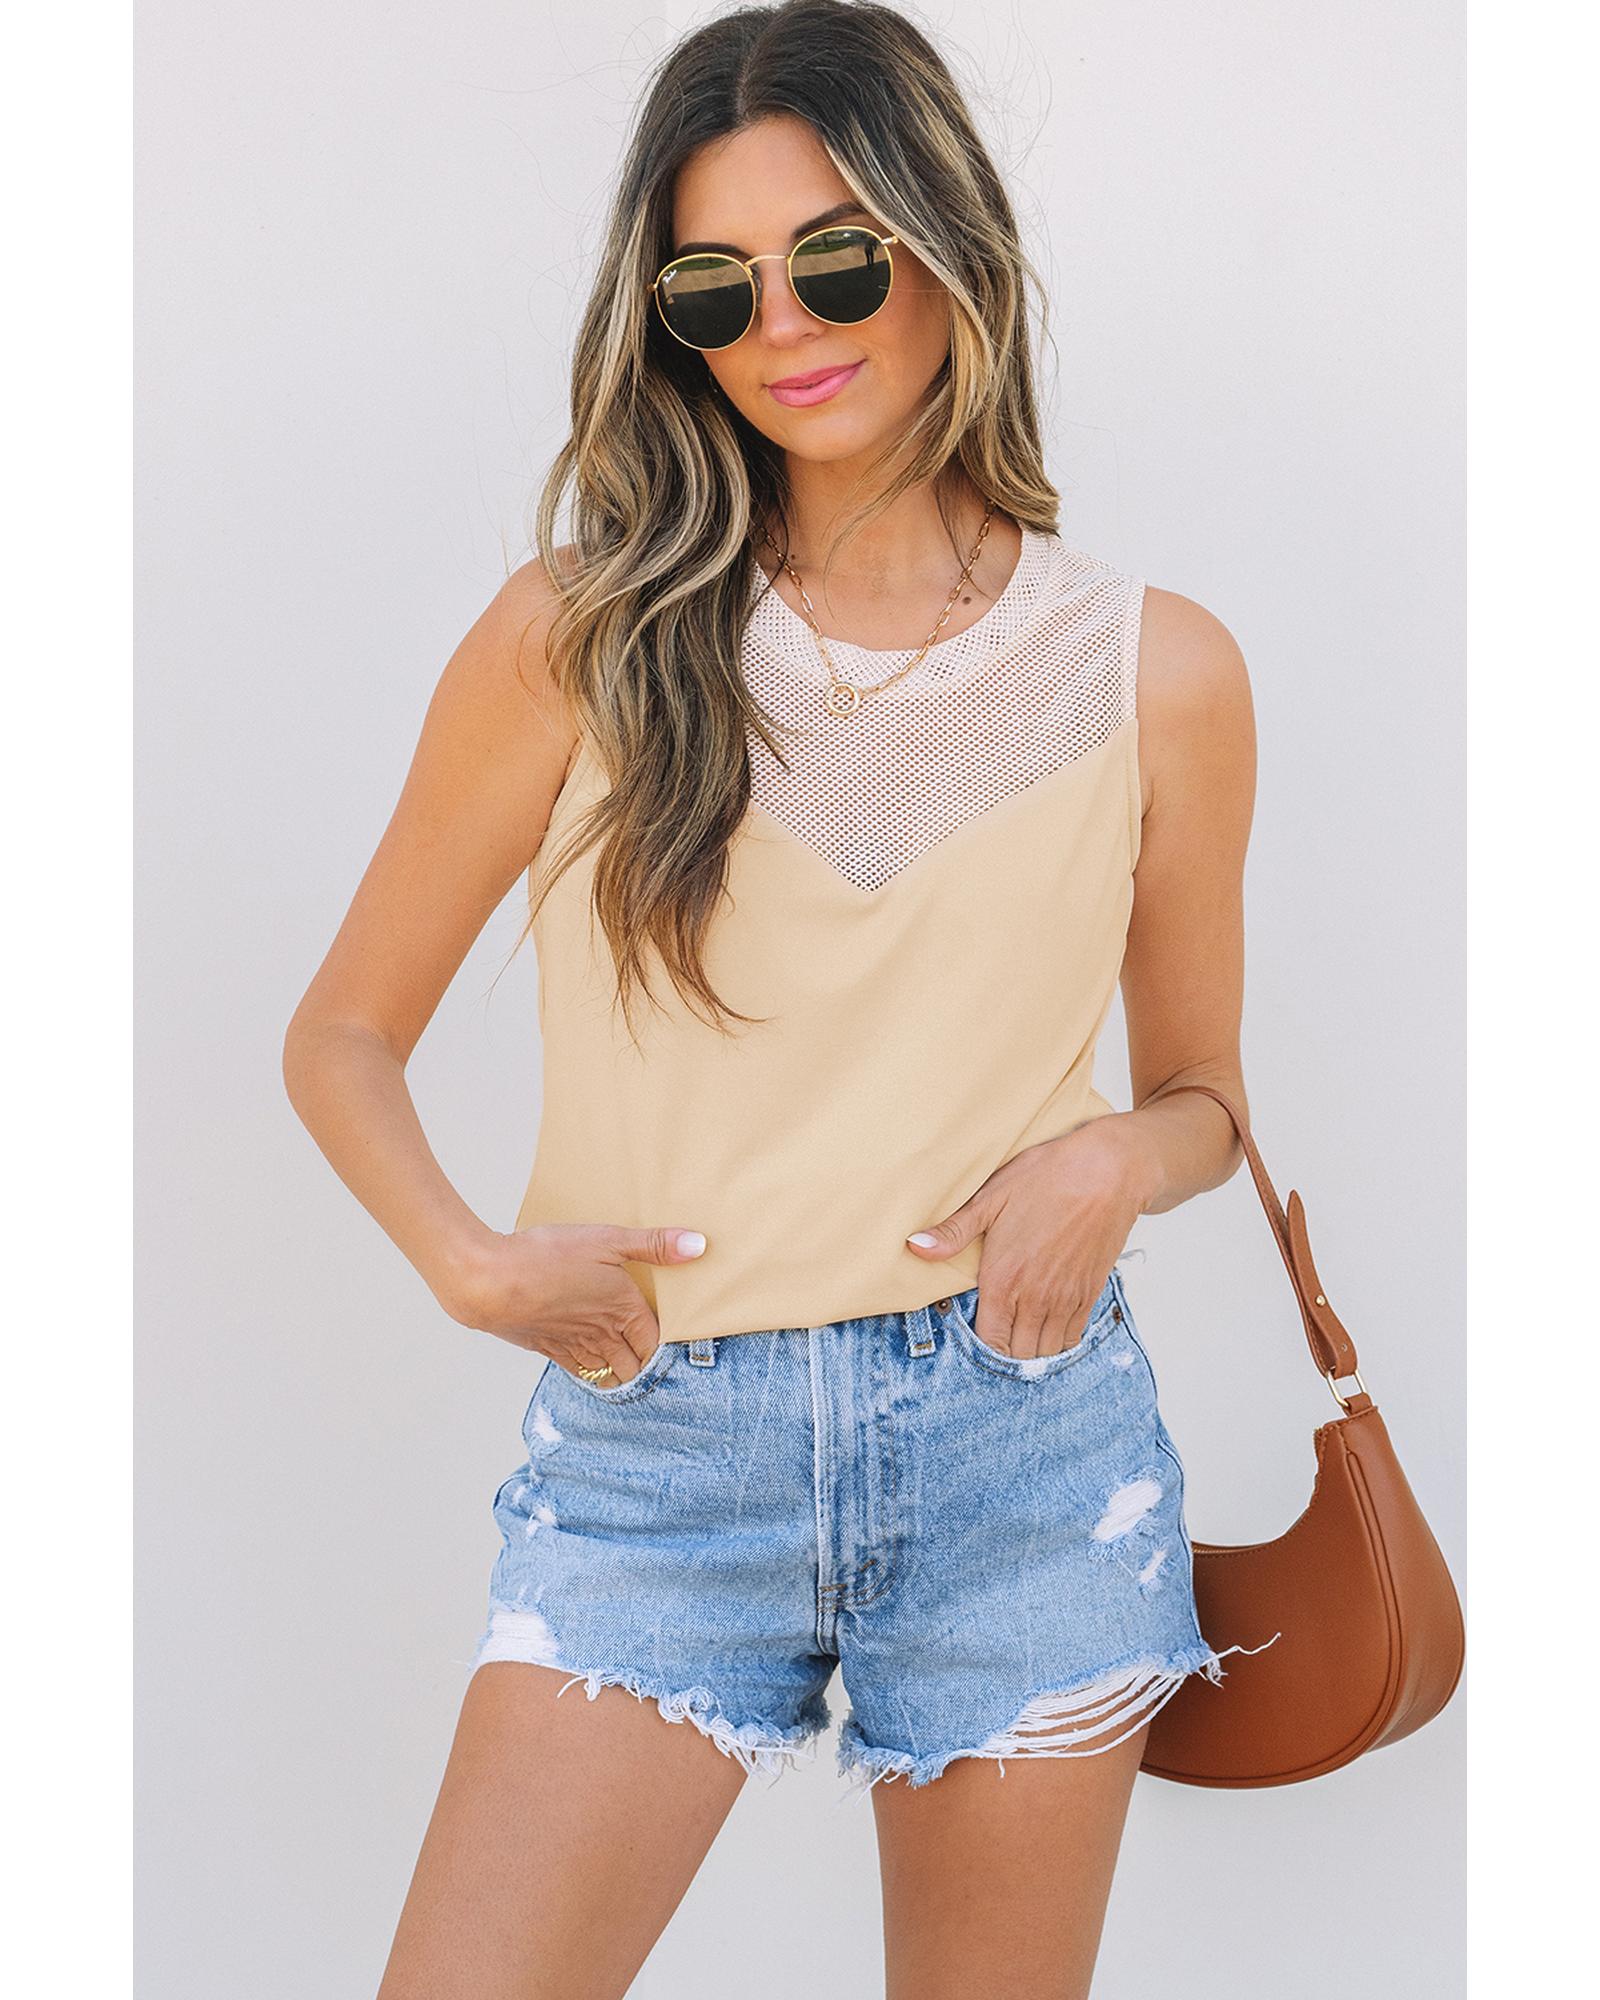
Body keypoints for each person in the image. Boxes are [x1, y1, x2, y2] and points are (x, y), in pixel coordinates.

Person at [283, 4, 1257, 1994]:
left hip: (1025, 1448)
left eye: (834, 260)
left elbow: (1204, 1092)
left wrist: (1111, 1163)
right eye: (715, 290)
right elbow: (342, 1032)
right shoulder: (580, 638)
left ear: (947, 247)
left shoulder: (1154, 671)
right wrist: (467, 1263)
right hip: (661, 1460)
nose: (783, 327)